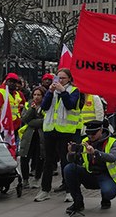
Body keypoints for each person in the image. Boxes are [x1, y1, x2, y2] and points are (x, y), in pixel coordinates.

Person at [35, 68, 82, 202]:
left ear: (69, 79)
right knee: (48, 161)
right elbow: (44, 106)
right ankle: (45, 190)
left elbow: (70, 105)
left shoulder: (74, 91)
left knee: (66, 160)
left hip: (66, 130)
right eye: (58, 78)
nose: (59, 81)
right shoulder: (52, 91)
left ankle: (69, 190)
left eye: (63, 78)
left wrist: (62, 91)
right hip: (50, 129)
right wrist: (50, 92)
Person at [64, 119, 116, 214]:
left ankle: (106, 199)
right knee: (69, 169)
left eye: (93, 134)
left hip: (105, 176)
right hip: (90, 174)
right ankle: (78, 202)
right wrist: (71, 152)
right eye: (88, 133)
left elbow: (113, 157)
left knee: (108, 191)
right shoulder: (85, 141)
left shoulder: (112, 142)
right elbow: (72, 159)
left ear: (101, 130)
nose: (90, 136)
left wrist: (95, 152)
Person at [19, 86, 46, 189]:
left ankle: (37, 179)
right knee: (24, 156)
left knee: (40, 157)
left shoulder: (45, 106)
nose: (36, 97)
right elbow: (25, 119)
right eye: (35, 94)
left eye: (39, 95)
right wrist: (32, 109)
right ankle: (25, 179)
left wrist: (32, 122)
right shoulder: (28, 104)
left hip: (41, 135)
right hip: (28, 135)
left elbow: (45, 121)